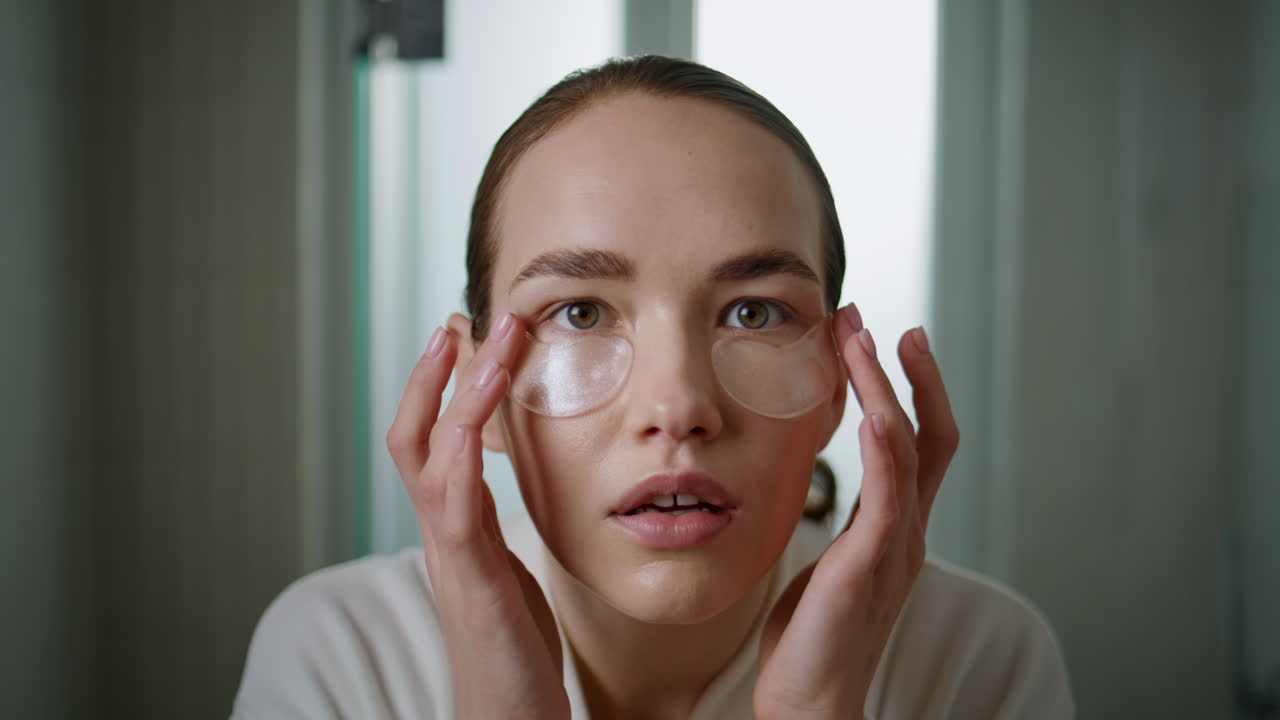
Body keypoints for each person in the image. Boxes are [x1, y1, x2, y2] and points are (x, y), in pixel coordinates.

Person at [233, 55, 1074, 719]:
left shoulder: (977, 661)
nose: (678, 408)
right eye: (581, 314)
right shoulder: (343, 658)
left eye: (751, 313)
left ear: (835, 385)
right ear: (472, 388)